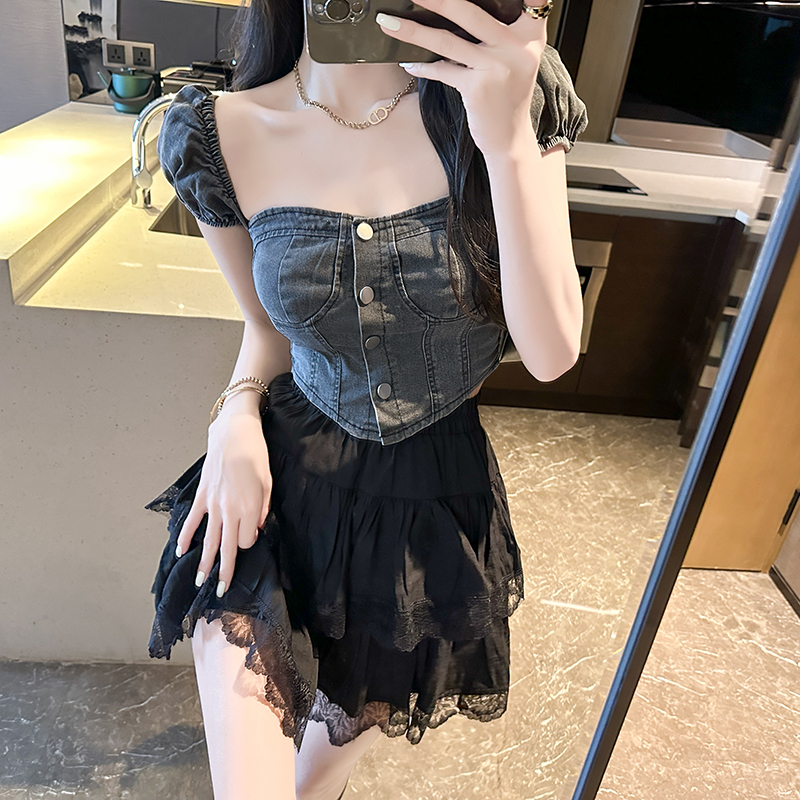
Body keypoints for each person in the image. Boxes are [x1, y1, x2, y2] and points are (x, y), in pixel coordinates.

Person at [144, 0, 588, 797]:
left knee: (312, 785)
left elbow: (553, 351)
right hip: (279, 492)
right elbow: (265, 329)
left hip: (426, 518)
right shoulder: (220, 132)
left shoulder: (508, 98)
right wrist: (236, 413)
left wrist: (507, 142)